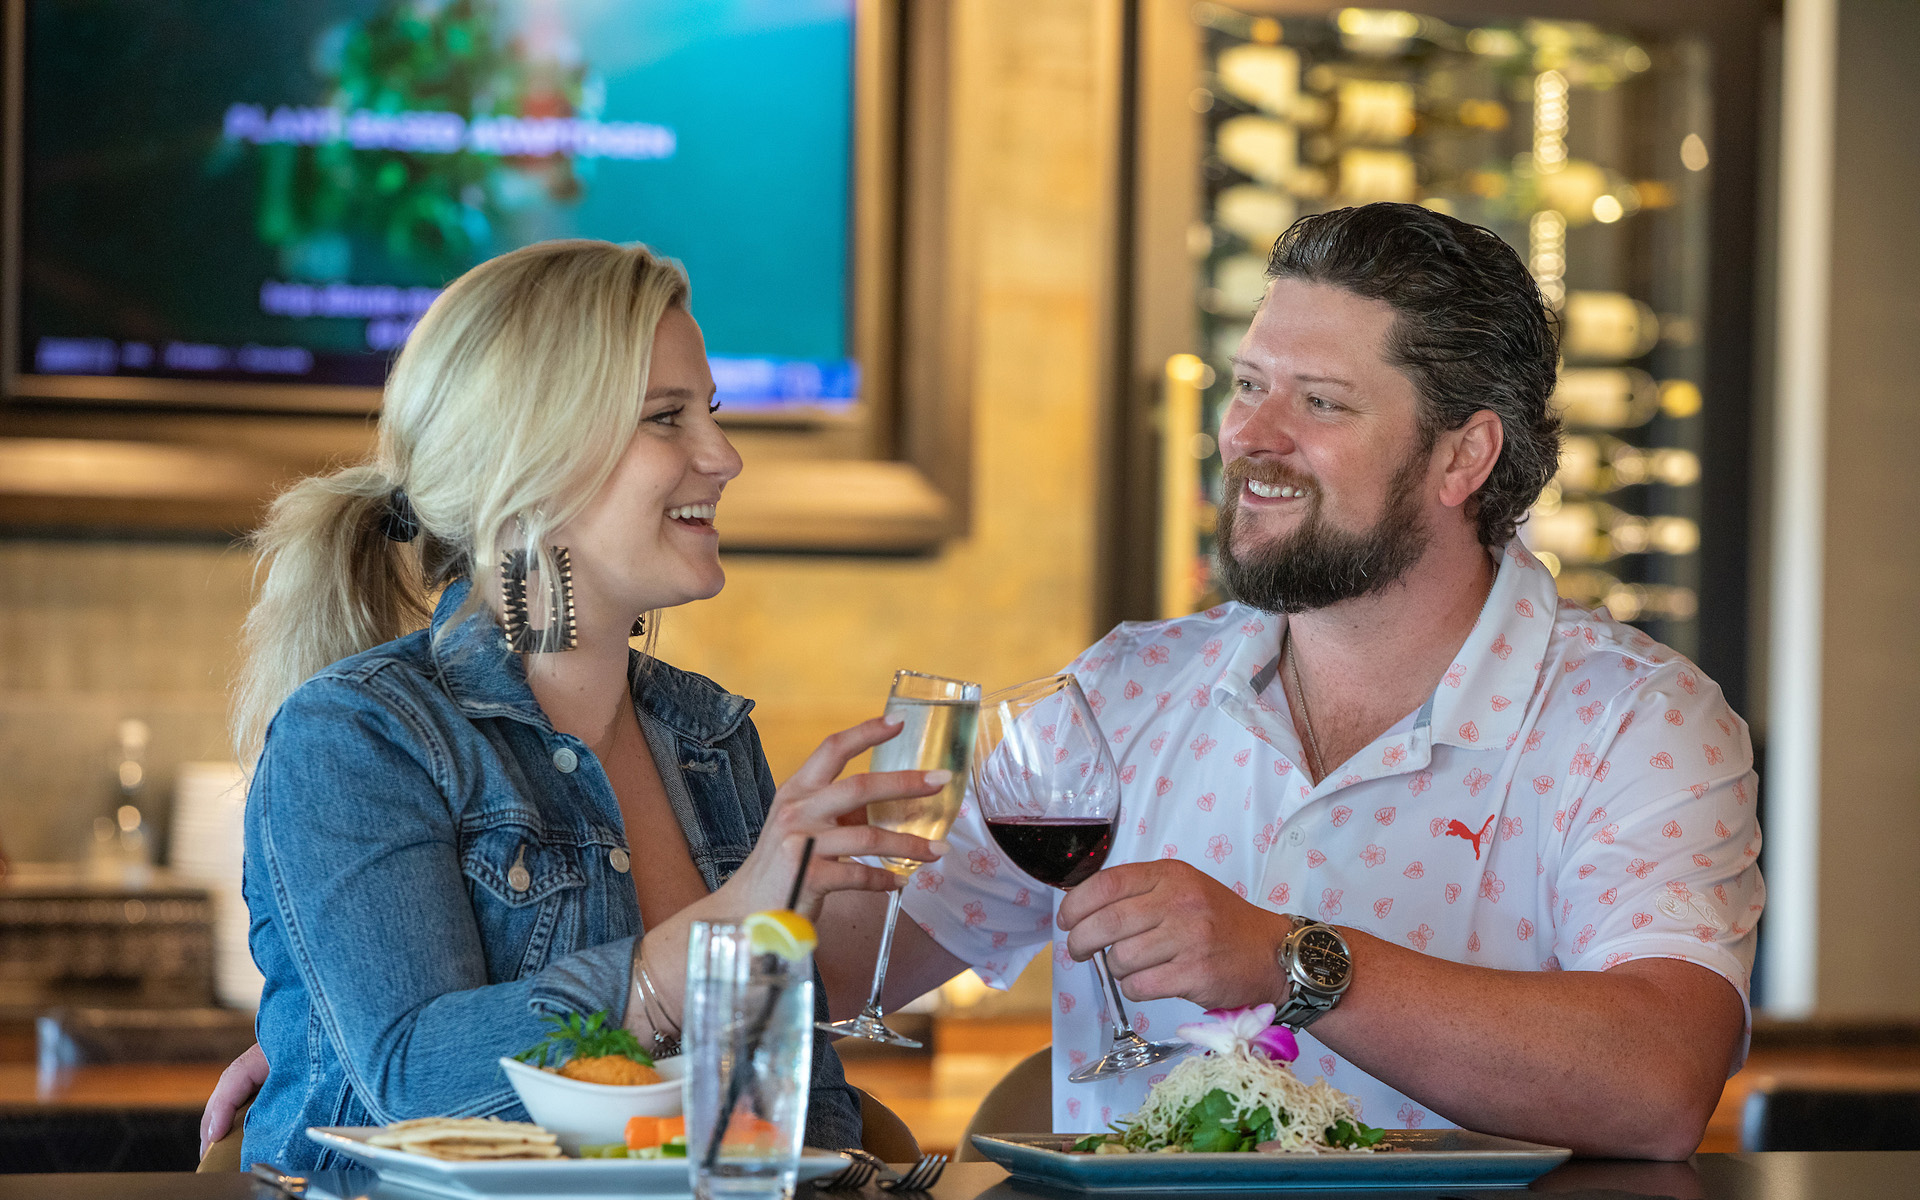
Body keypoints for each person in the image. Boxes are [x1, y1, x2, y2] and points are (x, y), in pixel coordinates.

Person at [822, 203, 1762, 1160]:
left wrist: (1290, 962)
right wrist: (784, 882)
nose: (1249, 435)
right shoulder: (1119, 692)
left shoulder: (1636, 722)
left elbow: (1658, 1084)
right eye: (1249, 386)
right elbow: (852, 978)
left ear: (1462, 457)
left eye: (1320, 402)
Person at [215, 240, 951, 1170]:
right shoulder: (359, 734)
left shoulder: (710, 738)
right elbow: (412, 1081)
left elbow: (803, 1122)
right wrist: (716, 943)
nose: (724, 457)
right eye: (667, 418)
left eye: (711, 413)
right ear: (532, 461)